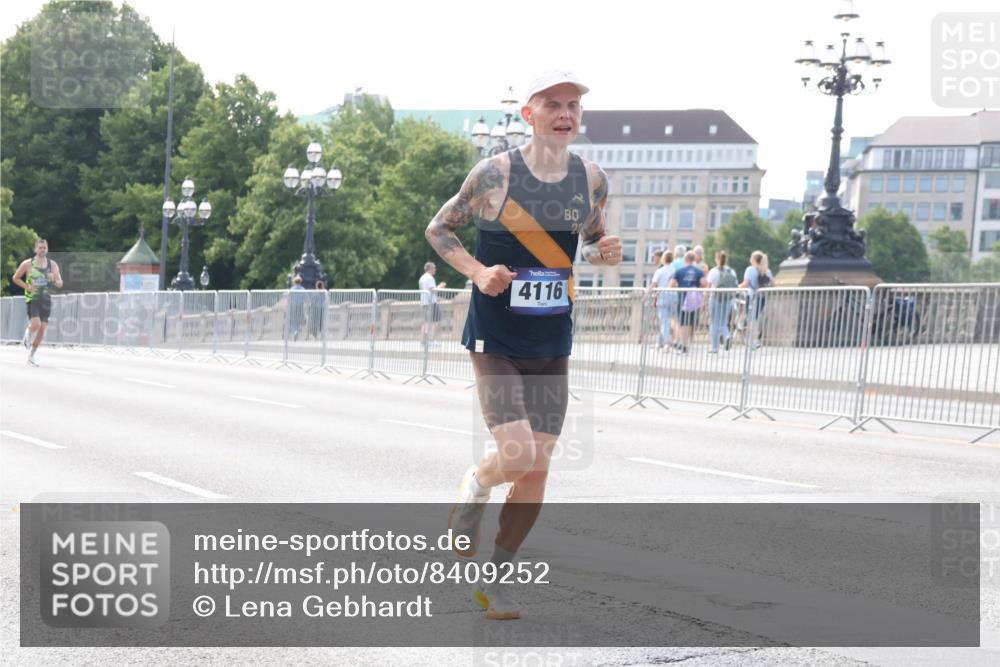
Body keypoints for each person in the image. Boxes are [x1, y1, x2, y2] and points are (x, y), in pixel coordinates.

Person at [425, 70, 620, 620]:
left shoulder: (592, 178)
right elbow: (439, 230)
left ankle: (497, 578)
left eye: (574, 105)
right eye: (552, 104)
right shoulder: (495, 173)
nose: (565, 113)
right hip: (496, 334)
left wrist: (605, 249)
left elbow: (593, 235)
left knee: (538, 467)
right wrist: (476, 269)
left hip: (552, 333)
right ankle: (477, 485)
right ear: (528, 114)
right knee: (515, 455)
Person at [12, 238, 63, 366]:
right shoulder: (28, 264)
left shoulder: (53, 265)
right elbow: (15, 278)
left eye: (44, 247)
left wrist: (53, 279)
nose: (42, 249)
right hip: (32, 297)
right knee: (36, 324)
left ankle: (32, 355)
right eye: (40, 247)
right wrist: (27, 287)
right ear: (35, 249)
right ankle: (28, 333)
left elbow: (60, 283)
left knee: (42, 329)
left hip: (45, 298)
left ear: (47, 249)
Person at [669, 251, 707, 354]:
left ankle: (684, 344)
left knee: (683, 322)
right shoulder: (699, 271)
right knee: (692, 321)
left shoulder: (679, 271)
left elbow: (671, 285)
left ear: (685, 259)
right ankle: (689, 341)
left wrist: (679, 286)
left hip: (682, 298)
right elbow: (704, 284)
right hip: (695, 299)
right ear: (694, 259)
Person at [739, 250, 773, 350]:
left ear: (753, 259)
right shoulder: (767, 270)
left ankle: (753, 341)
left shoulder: (750, 270)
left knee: (750, 319)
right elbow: (774, 284)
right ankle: (754, 340)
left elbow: (745, 284)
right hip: (762, 297)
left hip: (752, 296)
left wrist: (737, 287)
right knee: (755, 319)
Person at [706, 250, 738, 353]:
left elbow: (709, 286)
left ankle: (715, 347)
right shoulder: (731, 271)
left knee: (714, 322)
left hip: (715, 298)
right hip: (727, 298)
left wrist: (705, 297)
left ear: (716, 259)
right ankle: (727, 335)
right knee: (723, 321)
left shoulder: (714, 271)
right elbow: (735, 284)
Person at [648, 251, 676, 350]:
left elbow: (653, 285)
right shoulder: (675, 270)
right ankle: (659, 342)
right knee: (668, 322)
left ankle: (666, 343)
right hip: (674, 298)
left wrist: (646, 294)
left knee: (664, 322)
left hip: (663, 298)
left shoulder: (660, 271)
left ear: (663, 259)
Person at [419, 261, 447, 342]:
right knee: (436, 321)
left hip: (424, 302)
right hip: (431, 303)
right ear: (430, 268)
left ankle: (423, 340)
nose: (435, 269)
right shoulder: (429, 278)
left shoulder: (422, 277)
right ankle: (431, 340)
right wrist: (441, 286)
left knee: (426, 322)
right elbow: (432, 290)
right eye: (434, 268)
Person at [287, 275, 306, 341]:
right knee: (299, 319)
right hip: (300, 305)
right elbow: (305, 297)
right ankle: (297, 330)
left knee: (293, 319)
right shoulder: (303, 289)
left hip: (293, 305)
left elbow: (289, 297)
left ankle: (295, 331)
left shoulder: (292, 289)